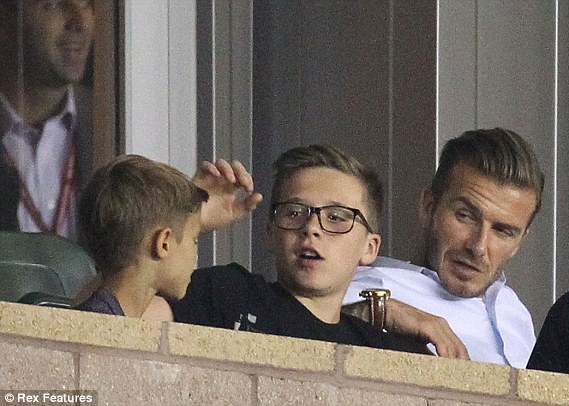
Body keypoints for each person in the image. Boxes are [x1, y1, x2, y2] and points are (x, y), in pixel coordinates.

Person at [343, 128, 569, 382]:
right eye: (465, 216)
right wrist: (385, 310)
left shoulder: (513, 310)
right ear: (429, 207)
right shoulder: (374, 284)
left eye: (503, 231)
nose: (479, 246)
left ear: (520, 241)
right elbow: (318, 318)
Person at [171, 145, 424, 353]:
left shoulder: (381, 351)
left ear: (370, 248)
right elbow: (145, 326)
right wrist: (188, 219)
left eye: (336, 217)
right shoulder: (227, 294)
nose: (311, 227)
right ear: (270, 232)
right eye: (293, 213)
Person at [75, 155, 262, 317]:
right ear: (164, 243)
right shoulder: (106, 336)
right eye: (194, 239)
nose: (195, 256)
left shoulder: (98, 319)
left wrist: (190, 216)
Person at [0, 0, 95, 240]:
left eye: (86, 3)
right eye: (55, 4)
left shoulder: (118, 124)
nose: (79, 22)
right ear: (7, 15)